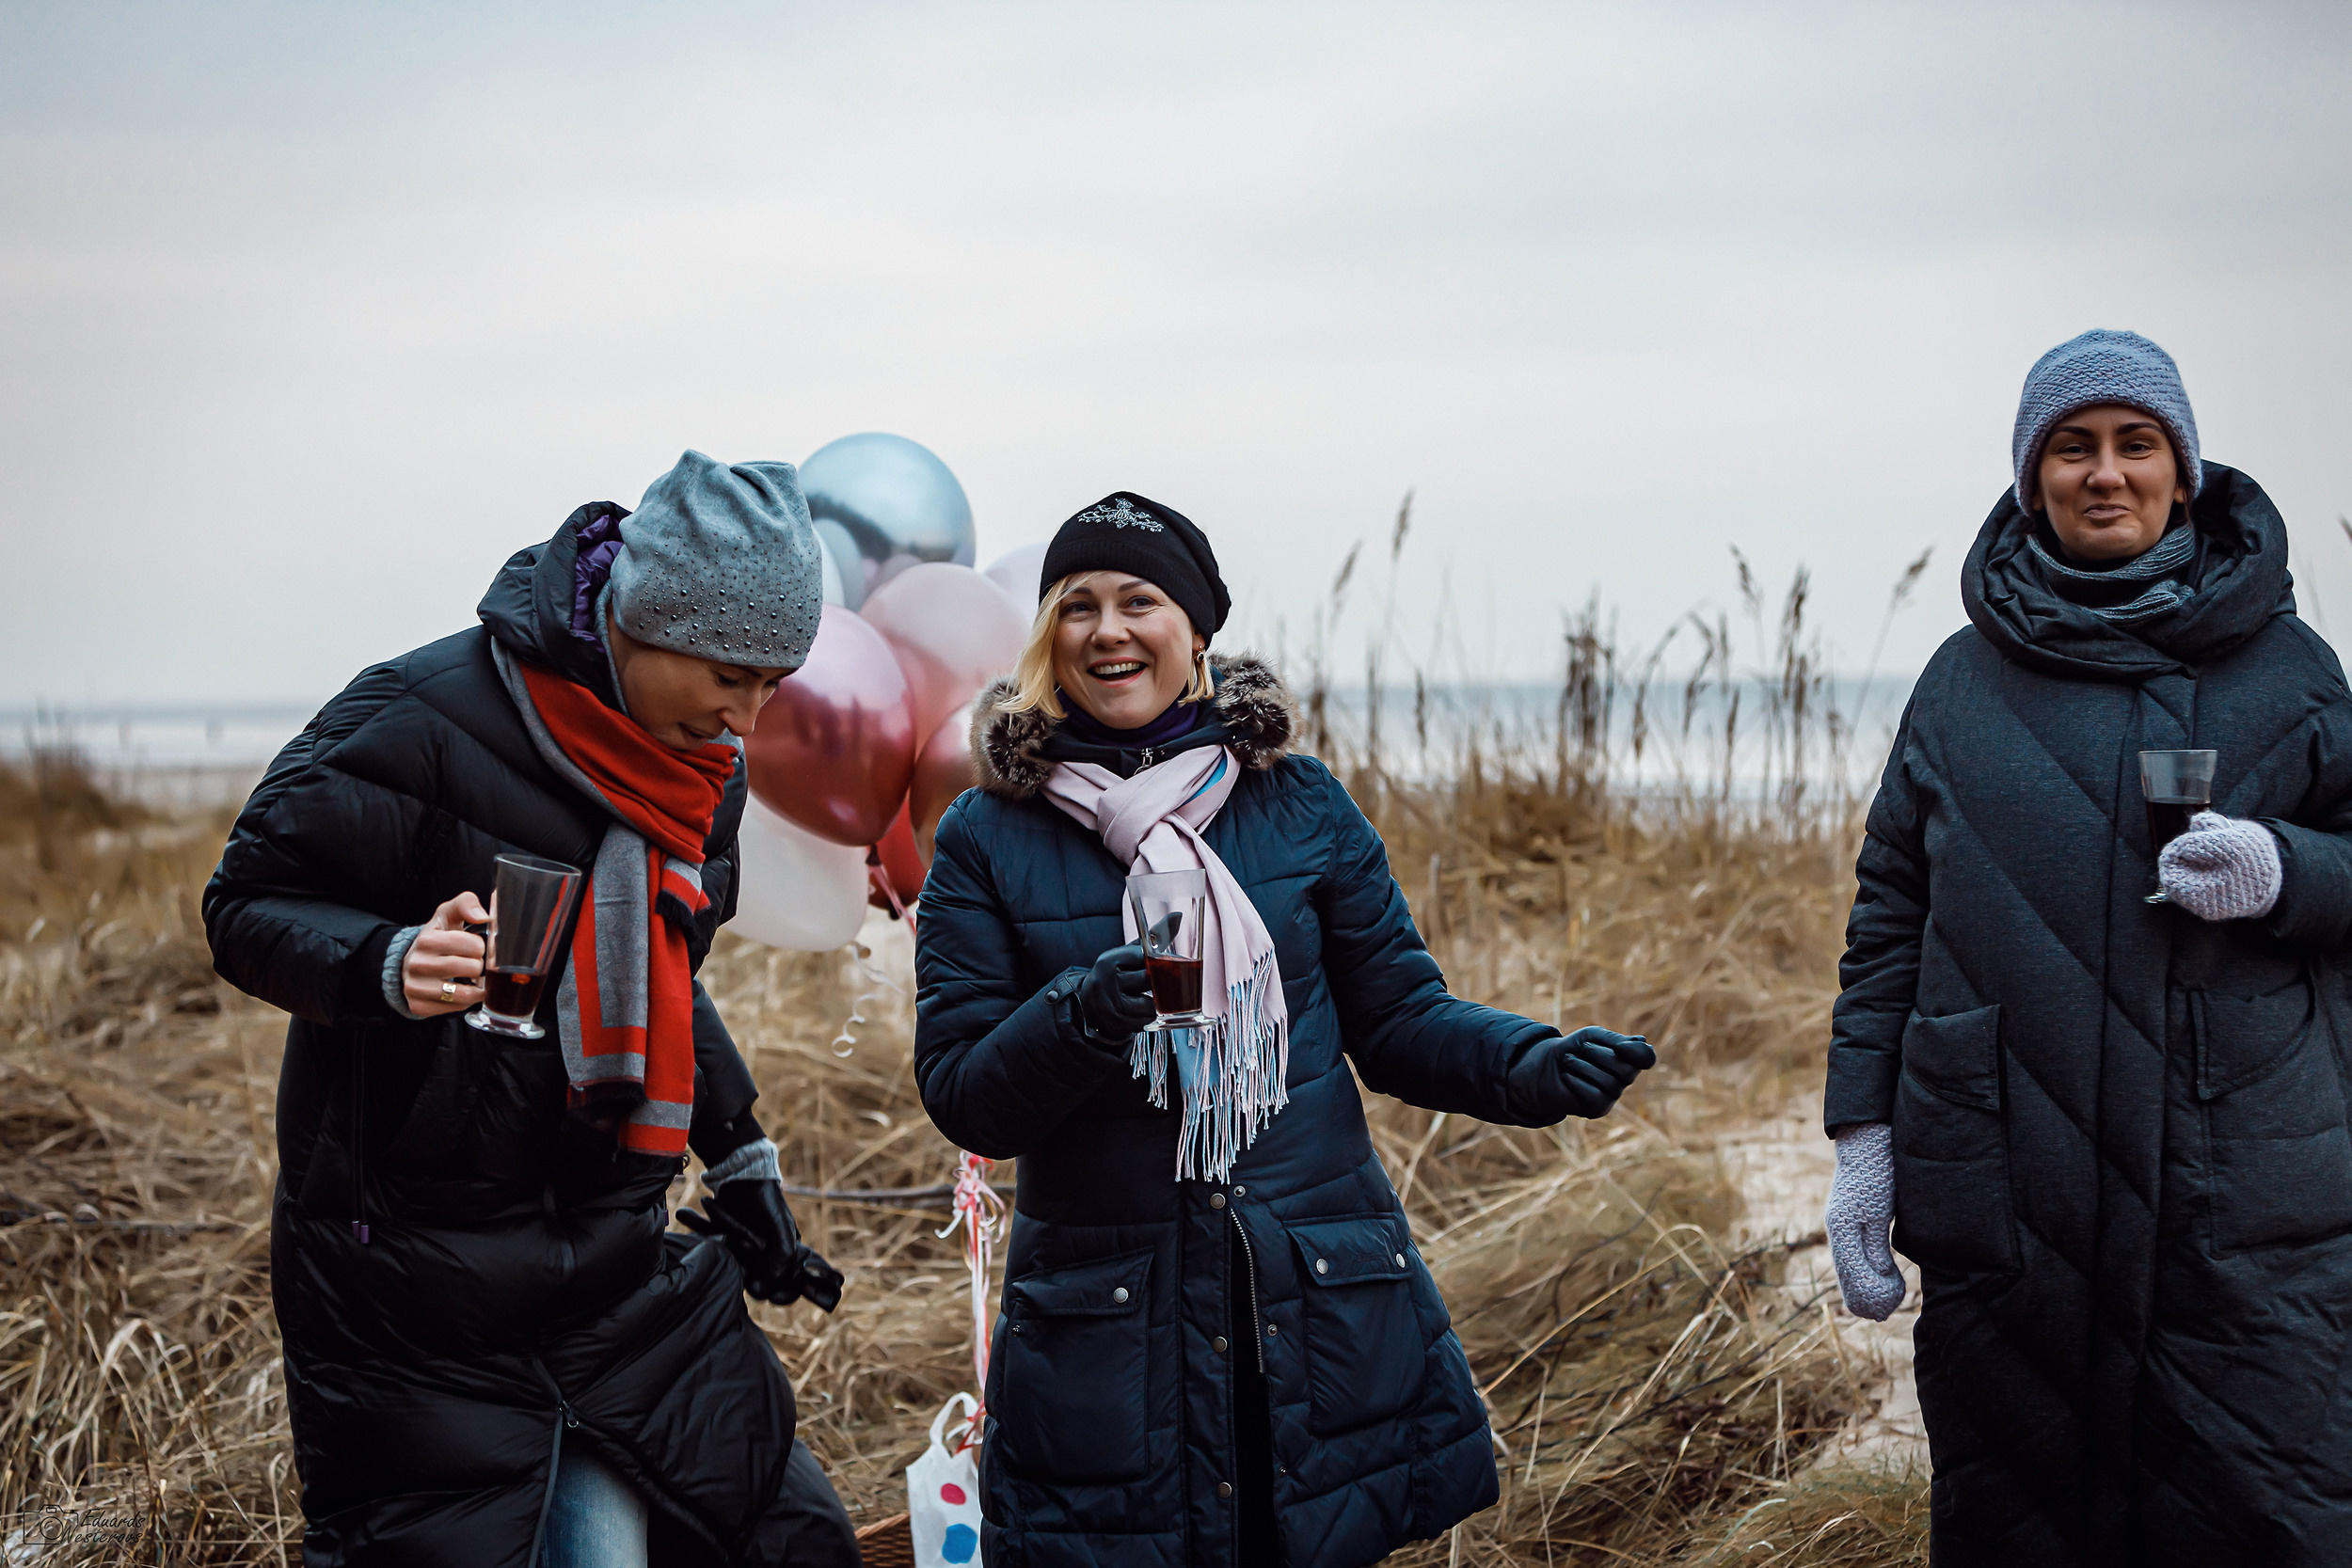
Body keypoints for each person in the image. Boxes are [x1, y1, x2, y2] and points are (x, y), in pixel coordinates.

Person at [912, 492, 1657, 1568]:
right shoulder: (987, 834)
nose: (1108, 629)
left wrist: (1529, 1061)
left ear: (1196, 629)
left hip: (1312, 1307)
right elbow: (965, 1093)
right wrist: (1084, 1010)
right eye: (1077, 605)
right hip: (1111, 1342)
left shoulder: (1296, 802)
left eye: (1138, 600)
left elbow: (1399, 1018)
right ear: (1047, 636)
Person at [205, 451, 861, 1568]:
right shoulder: (417, 716)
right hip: (414, 1285)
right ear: (643, 619)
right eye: (728, 674)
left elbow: (665, 971)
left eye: (774, 681)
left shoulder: (706, 772)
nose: (748, 716)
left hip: (613, 1264)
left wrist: (738, 1147)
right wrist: (387, 960)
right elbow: (245, 904)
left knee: (796, 1539)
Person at [1823, 331, 2352, 1565]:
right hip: (2014, 1197)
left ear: (2183, 470)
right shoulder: (1960, 682)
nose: (2104, 472)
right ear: (2032, 478)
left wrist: (2285, 870)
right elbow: (1889, 910)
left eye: (2135, 443)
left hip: (2242, 1199)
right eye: (2072, 447)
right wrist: (1863, 1135)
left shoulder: (2290, 671)